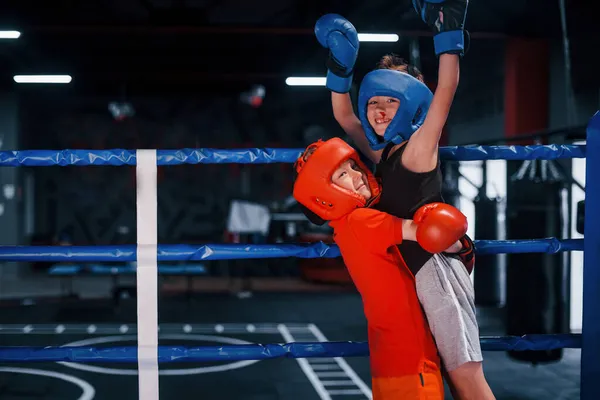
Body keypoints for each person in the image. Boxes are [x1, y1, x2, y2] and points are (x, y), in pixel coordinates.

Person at [315, 3, 495, 400]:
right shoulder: (385, 155)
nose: (379, 110)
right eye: (375, 101)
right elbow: (345, 117)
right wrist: (341, 65)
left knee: (464, 373)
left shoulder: (419, 148)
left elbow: (445, 91)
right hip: (408, 274)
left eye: (391, 101)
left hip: (436, 271)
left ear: (412, 105)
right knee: (440, 374)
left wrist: (448, 34)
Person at [294, 137, 470, 399]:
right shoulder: (362, 220)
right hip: (411, 359)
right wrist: (459, 242)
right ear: (325, 193)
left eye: (354, 166)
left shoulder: (345, 228)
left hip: (391, 360)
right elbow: (431, 231)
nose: (357, 175)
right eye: (342, 174)